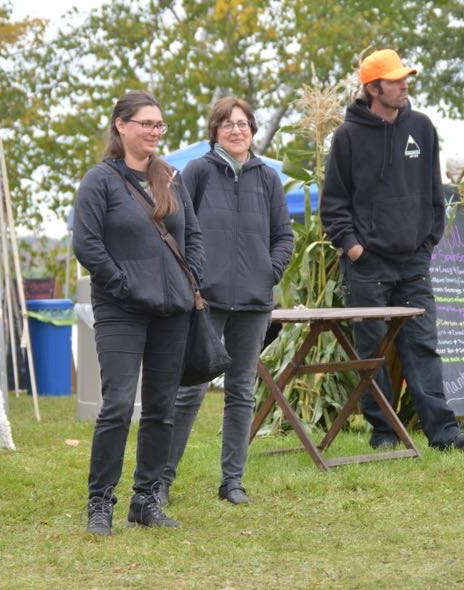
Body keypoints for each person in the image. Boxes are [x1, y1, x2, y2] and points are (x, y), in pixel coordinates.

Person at [320, 49, 464, 453]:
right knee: (372, 353)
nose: (404, 84)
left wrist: (428, 239)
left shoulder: (422, 127)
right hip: (367, 266)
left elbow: (435, 194)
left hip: (414, 261)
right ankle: (383, 434)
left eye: (404, 78)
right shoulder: (346, 136)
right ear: (373, 87)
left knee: (423, 346)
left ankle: (445, 436)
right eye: (395, 80)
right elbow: (334, 205)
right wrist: (355, 249)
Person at [73, 90, 205, 536]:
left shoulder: (171, 177)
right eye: (146, 123)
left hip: (173, 312)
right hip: (122, 312)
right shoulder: (100, 181)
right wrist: (126, 285)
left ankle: (146, 500)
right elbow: (86, 245)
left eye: (159, 125)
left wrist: (193, 280)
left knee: (161, 408)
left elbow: (193, 236)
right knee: (116, 406)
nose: (154, 131)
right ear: (121, 126)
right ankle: (100, 503)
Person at [159, 97, 293, 507]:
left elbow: (283, 236)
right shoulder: (197, 171)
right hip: (206, 301)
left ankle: (232, 481)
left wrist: (267, 272)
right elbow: (176, 228)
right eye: (228, 124)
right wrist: (194, 280)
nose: (237, 131)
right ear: (214, 131)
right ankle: (161, 481)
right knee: (191, 391)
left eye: (244, 124)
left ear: (252, 130)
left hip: (254, 303)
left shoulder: (267, 177)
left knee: (241, 392)